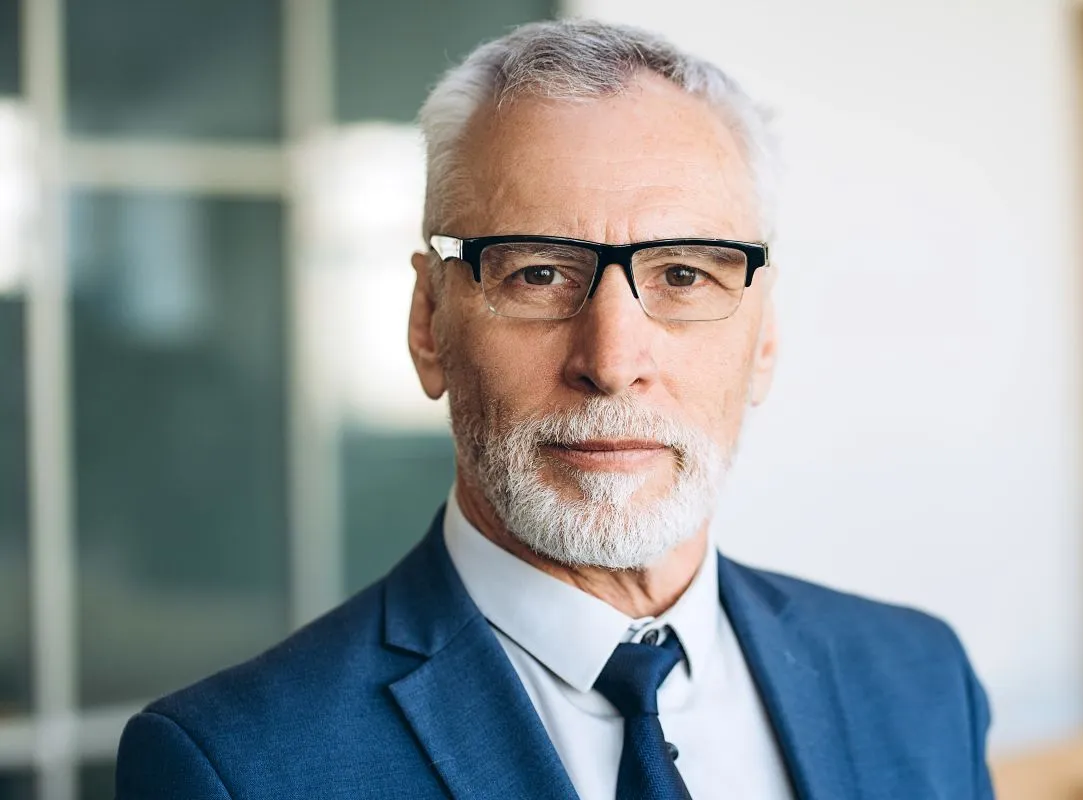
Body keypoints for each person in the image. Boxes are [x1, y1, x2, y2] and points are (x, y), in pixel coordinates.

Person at [115, 19, 994, 800]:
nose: (611, 364)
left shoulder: (922, 684)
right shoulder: (239, 767)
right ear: (429, 324)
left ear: (763, 337)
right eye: (537, 274)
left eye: (684, 274)